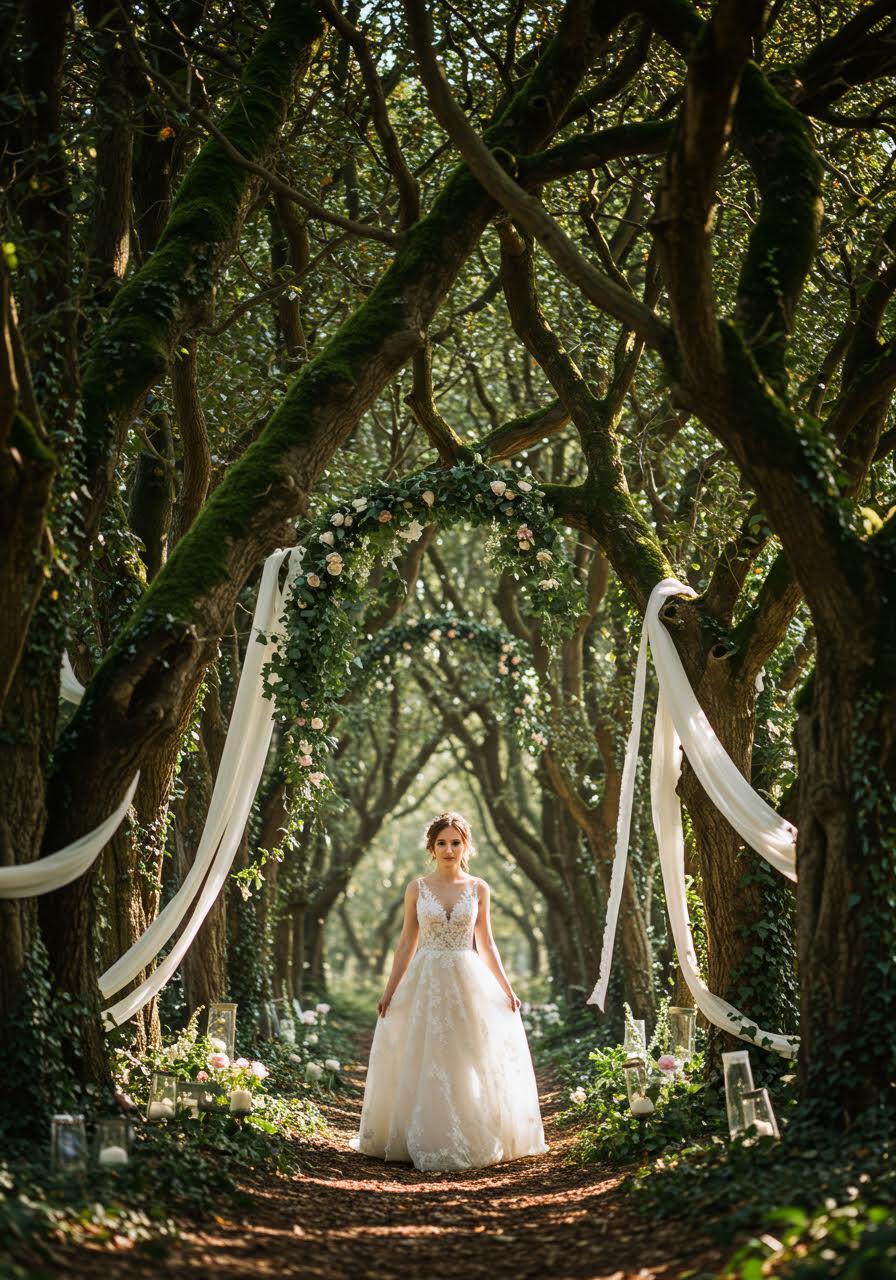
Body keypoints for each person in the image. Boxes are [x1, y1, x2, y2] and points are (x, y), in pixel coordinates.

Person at [349, 812, 547, 1172]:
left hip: (467, 977)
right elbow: (407, 941)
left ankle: (470, 1132)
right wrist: (389, 990)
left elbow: (486, 943)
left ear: (465, 845)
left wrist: (507, 988)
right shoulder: (417, 888)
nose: (449, 849)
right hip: (424, 978)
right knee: (426, 1054)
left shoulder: (478, 888)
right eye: (442, 843)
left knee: (468, 1055)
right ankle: (421, 1133)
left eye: (455, 842)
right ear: (432, 847)